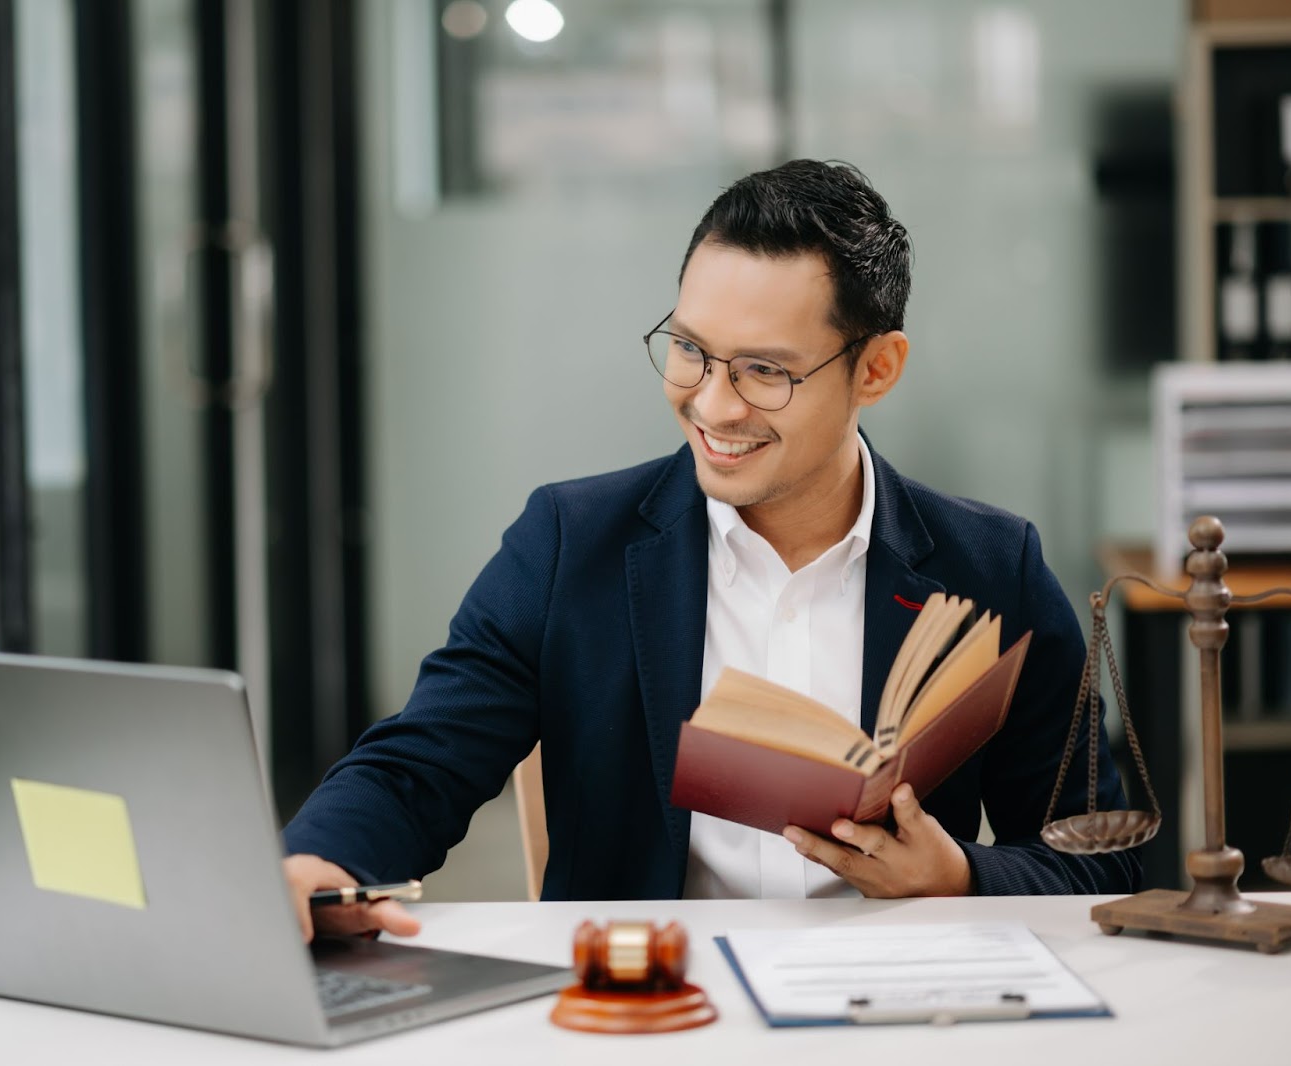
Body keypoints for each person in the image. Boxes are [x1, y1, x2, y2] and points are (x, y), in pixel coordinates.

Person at [281, 159, 1140, 942]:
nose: (713, 406)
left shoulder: (992, 569)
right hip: (652, 1002)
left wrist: (958, 877)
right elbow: (418, 761)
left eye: (765, 371)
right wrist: (321, 863)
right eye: (690, 350)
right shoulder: (568, 546)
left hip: (898, 1006)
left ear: (876, 370)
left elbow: (1103, 856)